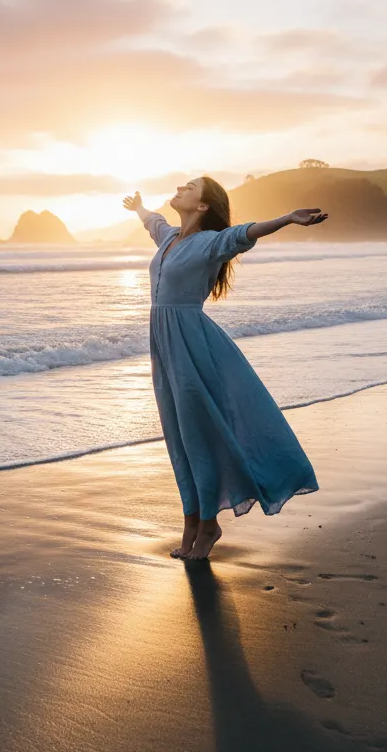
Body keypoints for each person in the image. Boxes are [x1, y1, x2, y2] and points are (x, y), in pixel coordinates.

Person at [123, 176, 326, 560]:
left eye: (190, 187)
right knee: (179, 439)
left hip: (192, 345)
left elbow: (242, 233)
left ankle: (206, 524)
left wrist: (285, 219)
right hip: (164, 347)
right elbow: (153, 222)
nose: (181, 188)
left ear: (202, 206)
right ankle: (193, 521)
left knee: (199, 438)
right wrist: (138, 209)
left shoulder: (207, 243)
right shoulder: (169, 239)